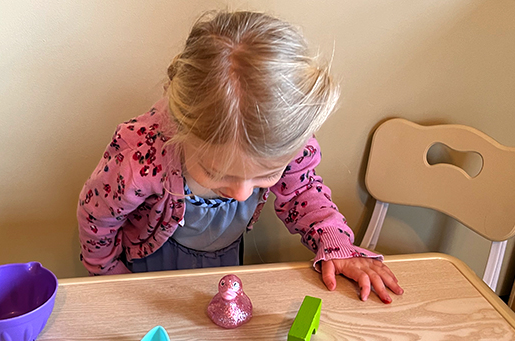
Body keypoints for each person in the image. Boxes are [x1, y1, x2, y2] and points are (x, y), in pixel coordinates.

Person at [77, 10, 403, 303]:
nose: (242, 194)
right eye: (218, 173)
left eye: (265, 175)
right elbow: (97, 217)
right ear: (179, 128)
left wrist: (337, 246)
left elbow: (302, 191)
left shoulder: (284, 137)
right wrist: (108, 279)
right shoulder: (142, 156)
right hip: (155, 262)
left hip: (227, 257)